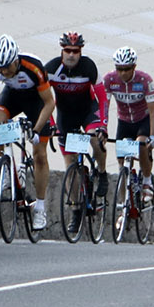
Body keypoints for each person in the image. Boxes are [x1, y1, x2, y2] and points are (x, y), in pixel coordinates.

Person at [0, 34, 57, 231]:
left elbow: (49, 103)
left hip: (36, 101)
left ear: (16, 59)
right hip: (13, 96)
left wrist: (36, 130)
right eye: (0, 68)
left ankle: (40, 207)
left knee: (39, 154)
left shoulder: (33, 67)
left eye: (8, 67)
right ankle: (7, 166)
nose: (4, 72)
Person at [44, 31, 109, 206]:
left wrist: (103, 125)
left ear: (81, 52)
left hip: (88, 112)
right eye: (68, 50)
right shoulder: (51, 69)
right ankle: (75, 209)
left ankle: (102, 172)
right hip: (65, 116)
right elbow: (43, 99)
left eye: (75, 51)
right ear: (62, 51)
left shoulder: (88, 66)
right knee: (70, 165)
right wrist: (51, 124)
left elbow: (102, 97)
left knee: (95, 140)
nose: (71, 55)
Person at [102, 46, 154, 201]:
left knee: (141, 146)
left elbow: (153, 112)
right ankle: (124, 204)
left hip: (143, 121)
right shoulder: (109, 80)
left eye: (127, 69)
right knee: (122, 163)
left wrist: (153, 136)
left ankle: (147, 182)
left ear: (134, 66)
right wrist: (103, 129)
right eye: (119, 69)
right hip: (124, 122)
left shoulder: (145, 80)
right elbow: (104, 107)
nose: (123, 73)